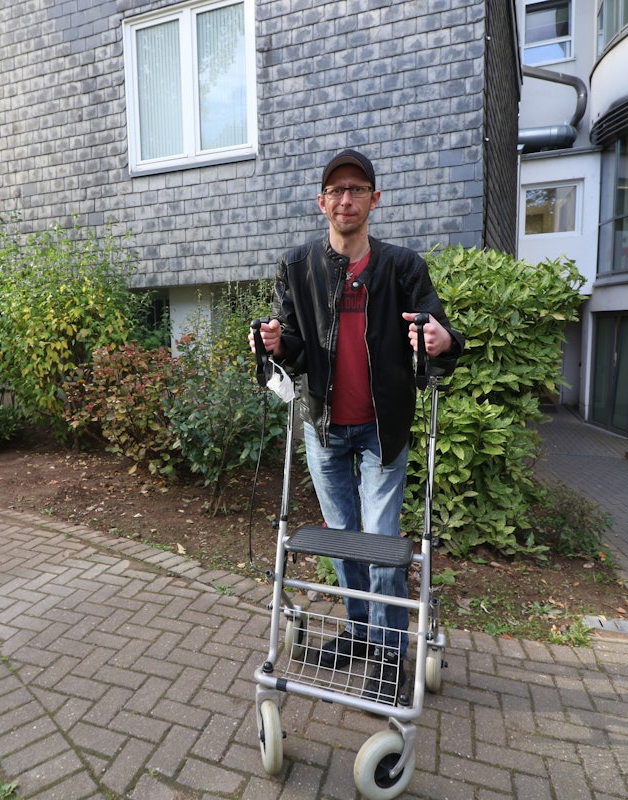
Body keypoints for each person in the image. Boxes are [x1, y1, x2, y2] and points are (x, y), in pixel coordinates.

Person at [251, 149, 463, 703]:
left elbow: (436, 333)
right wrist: (277, 344)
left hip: (381, 430)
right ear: (321, 202)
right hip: (323, 427)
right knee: (344, 544)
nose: (346, 199)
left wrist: (443, 342)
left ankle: (392, 654)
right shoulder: (298, 266)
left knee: (382, 544)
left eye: (357, 189)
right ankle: (361, 634)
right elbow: (295, 350)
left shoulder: (402, 267)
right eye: (336, 191)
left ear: (374, 198)